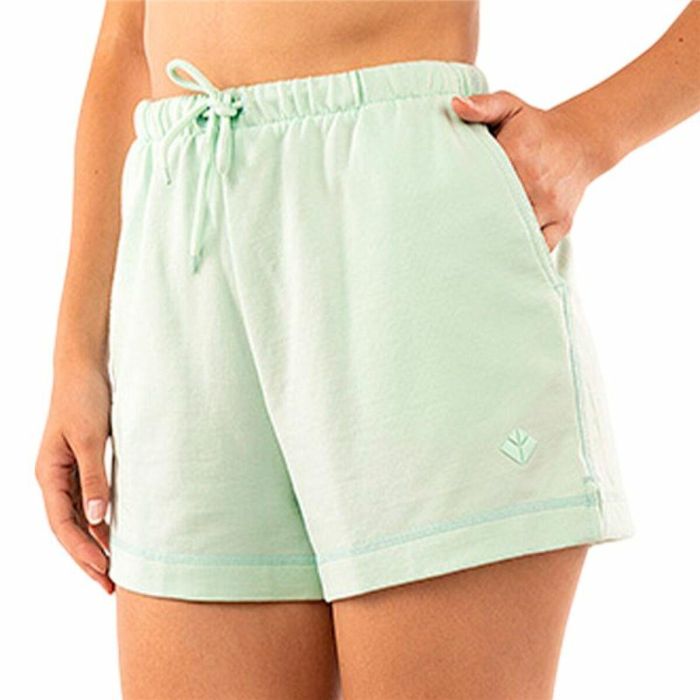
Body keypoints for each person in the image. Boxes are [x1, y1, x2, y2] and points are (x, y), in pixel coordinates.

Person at [35, 2, 699, 698]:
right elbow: (127, 43)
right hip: (183, 248)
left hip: (400, 226)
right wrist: (76, 356)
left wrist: (588, 136)